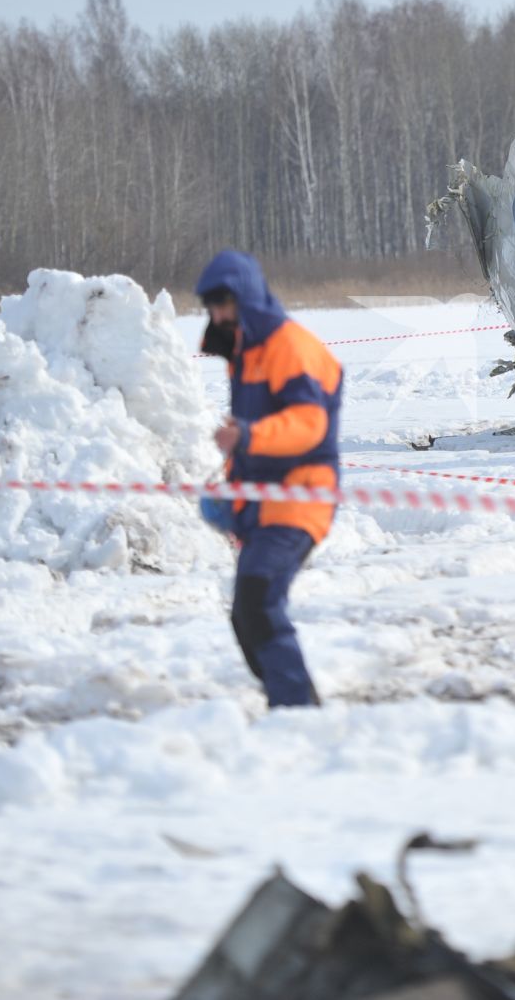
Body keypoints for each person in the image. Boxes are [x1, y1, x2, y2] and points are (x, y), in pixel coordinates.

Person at [195, 250, 343, 707]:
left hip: (301, 499)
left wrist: (249, 435)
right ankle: (286, 697)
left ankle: (298, 709)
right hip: (265, 504)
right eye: (212, 305)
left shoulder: (290, 347)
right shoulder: (246, 353)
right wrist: (233, 491)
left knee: (258, 602)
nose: (218, 314)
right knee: (245, 614)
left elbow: (308, 423)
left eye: (225, 302)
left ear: (248, 298)